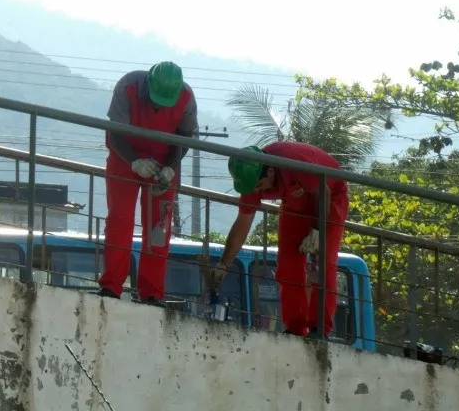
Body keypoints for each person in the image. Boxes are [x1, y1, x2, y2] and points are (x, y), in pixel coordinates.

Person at [211, 142, 350, 337]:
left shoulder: (295, 161)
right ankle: (295, 327)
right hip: (295, 203)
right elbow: (243, 221)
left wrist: (318, 231)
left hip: (329, 197)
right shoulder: (251, 180)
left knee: (323, 264)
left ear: (269, 172)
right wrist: (223, 264)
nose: (256, 191)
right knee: (287, 265)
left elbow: (324, 193)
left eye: (259, 186)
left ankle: (319, 329)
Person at [97, 61, 198, 305]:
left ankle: (152, 293)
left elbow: (185, 137)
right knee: (120, 221)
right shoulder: (128, 86)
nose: (159, 105)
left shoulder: (186, 97)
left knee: (159, 230)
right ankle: (112, 286)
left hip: (164, 165)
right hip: (125, 158)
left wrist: (171, 168)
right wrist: (134, 162)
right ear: (149, 84)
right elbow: (114, 133)